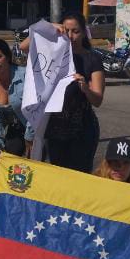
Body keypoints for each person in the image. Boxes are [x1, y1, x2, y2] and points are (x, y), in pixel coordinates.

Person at [41, 13, 106, 173]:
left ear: (84, 32)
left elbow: (97, 100)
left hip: (82, 129)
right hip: (55, 127)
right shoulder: (53, 54)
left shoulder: (92, 59)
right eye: (66, 30)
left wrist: (85, 88)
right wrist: (49, 27)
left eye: (75, 31)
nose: (70, 36)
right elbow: (25, 46)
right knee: (58, 177)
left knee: (79, 177)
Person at [0, 39, 29, 156]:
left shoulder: (25, 76)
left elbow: (35, 109)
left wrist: (30, 138)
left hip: (35, 128)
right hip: (15, 132)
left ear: (7, 57)